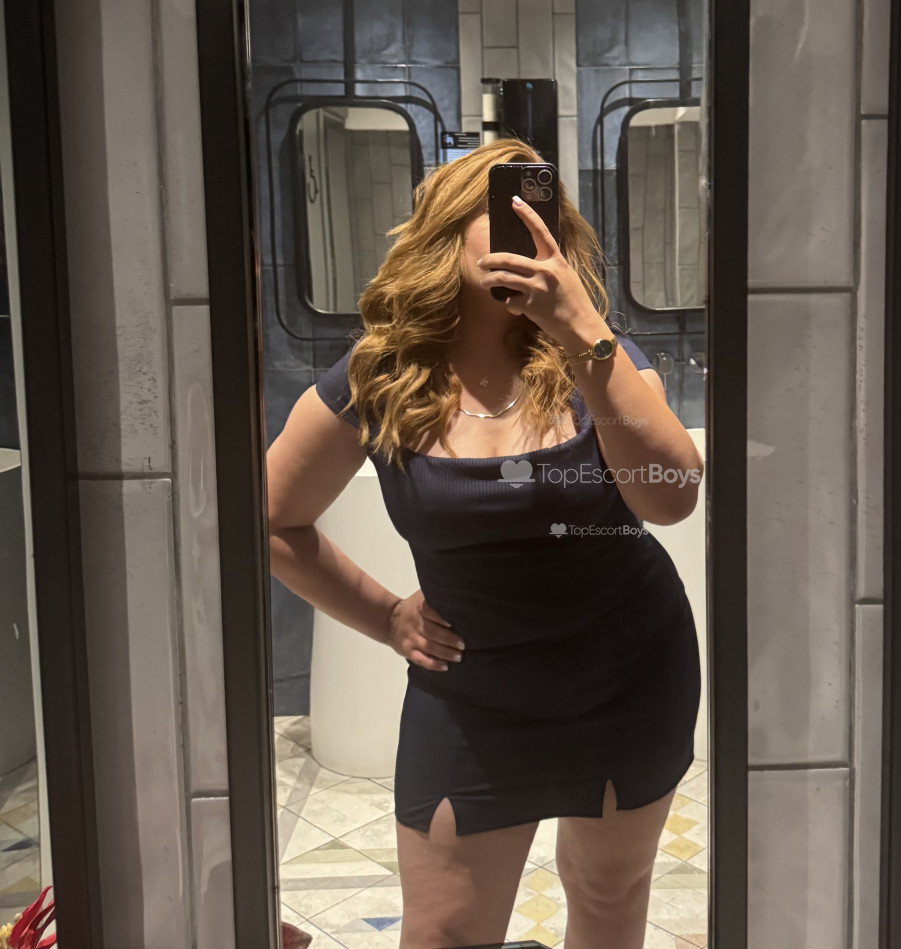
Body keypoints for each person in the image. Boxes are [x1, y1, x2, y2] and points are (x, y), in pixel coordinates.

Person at [266, 138, 704, 949]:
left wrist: (582, 328)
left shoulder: (597, 359)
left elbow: (673, 497)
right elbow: (269, 518)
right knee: (443, 932)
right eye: (506, 207)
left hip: (629, 675)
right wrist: (386, 615)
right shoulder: (381, 377)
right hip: (471, 700)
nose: (530, 224)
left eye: (547, 211)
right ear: (444, 231)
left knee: (608, 895)